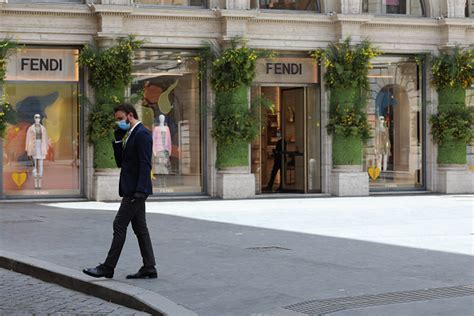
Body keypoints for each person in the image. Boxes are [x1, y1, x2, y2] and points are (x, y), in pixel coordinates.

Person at [83, 103, 157, 279]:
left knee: (119, 224)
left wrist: (140, 191)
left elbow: (145, 164)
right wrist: (117, 140)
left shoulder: (142, 134)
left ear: (130, 116)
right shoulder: (130, 134)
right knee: (140, 228)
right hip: (132, 189)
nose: (118, 123)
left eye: (120, 119)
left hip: (135, 191)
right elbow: (121, 163)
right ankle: (149, 267)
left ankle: (108, 267)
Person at [25, 114, 49, 189]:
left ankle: (40, 183)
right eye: (36, 117)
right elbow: (27, 138)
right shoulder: (30, 128)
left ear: (40, 118)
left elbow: (45, 138)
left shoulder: (43, 128)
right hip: (33, 147)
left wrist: (47, 147)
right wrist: (27, 148)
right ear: (34, 118)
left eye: (38, 117)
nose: (37, 119)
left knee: (41, 166)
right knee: (34, 166)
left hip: (41, 147)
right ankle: (36, 183)